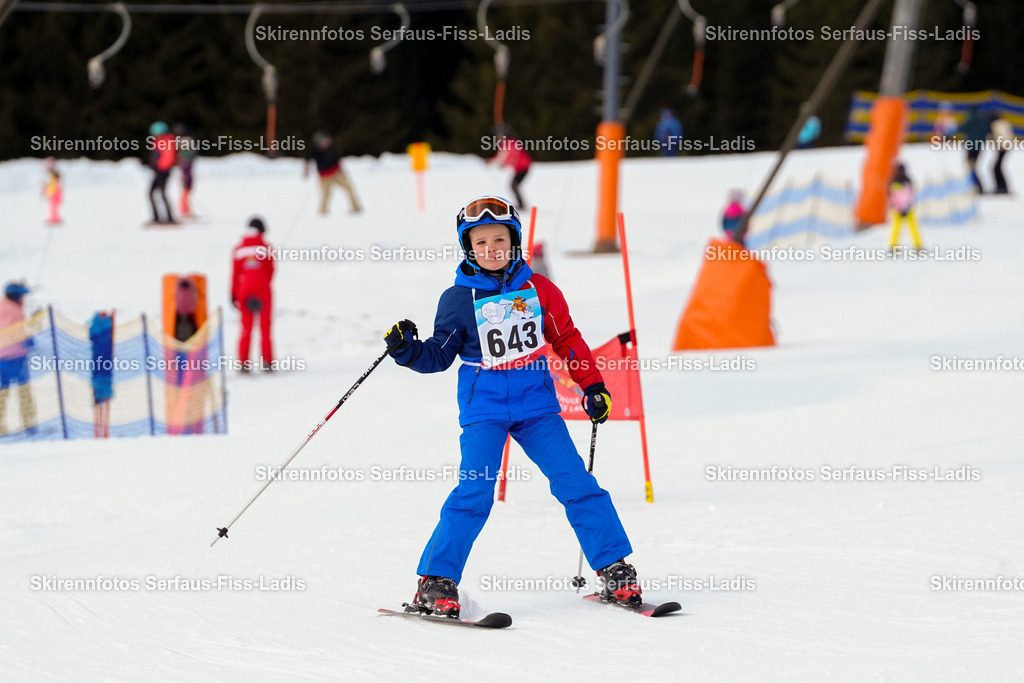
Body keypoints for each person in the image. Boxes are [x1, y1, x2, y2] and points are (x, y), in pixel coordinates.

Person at [383, 195, 640, 618]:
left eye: (499, 239)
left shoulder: (539, 289)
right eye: (480, 242)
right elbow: (438, 357)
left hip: (536, 406)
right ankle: (435, 581)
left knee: (576, 481)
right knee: (474, 490)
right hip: (483, 408)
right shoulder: (458, 297)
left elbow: (567, 339)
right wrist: (406, 350)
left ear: (514, 240)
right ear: (468, 246)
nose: (491, 249)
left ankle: (614, 568)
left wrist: (592, 385)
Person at [231, 217, 275, 372]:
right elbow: (271, 271)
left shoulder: (238, 249)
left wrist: (233, 294)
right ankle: (267, 362)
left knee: (245, 327)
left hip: (244, 290)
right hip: (262, 289)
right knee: (265, 327)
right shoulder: (266, 247)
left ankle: (243, 363)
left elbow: (235, 274)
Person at [0, 282, 36, 435]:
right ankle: (29, 424)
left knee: (3, 392)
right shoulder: (16, 311)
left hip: (1, 358)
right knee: (24, 392)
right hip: (16, 357)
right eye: (22, 296)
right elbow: (17, 331)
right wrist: (27, 339)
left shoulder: (2, 305)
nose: (24, 299)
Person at [304, 131, 362, 216]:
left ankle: (356, 207)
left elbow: (337, 158)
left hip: (337, 173)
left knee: (349, 188)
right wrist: (306, 171)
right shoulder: (314, 150)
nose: (325, 142)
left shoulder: (331, 147)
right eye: (322, 141)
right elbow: (307, 161)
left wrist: (341, 169)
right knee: (326, 195)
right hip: (324, 177)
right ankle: (322, 213)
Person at [487, 126, 532, 208]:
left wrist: (494, 162)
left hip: (523, 167)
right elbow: (504, 157)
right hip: (520, 168)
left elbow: (509, 156)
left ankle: (521, 205)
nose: (498, 138)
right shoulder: (508, 143)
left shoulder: (509, 143)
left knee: (514, 185)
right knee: (514, 185)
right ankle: (521, 204)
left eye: (499, 135)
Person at [88, 311, 114, 438]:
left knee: (100, 397)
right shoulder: (108, 324)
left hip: (99, 368)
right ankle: (101, 432)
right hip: (104, 368)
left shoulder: (94, 326)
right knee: (102, 397)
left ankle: (101, 431)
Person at [887, 162, 922, 251]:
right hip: (897, 209)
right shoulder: (895, 182)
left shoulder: (906, 181)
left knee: (913, 228)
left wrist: (907, 207)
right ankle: (893, 247)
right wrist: (900, 208)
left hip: (907, 208)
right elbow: (894, 198)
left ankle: (918, 246)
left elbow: (909, 196)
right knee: (896, 229)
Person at [148, 121, 177, 224]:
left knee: (157, 194)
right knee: (157, 194)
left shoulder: (165, 141)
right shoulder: (160, 141)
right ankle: (163, 217)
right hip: (161, 171)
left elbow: (167, 158)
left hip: (162, 172)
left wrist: (159, 168)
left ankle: (166, 218)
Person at [959, 107, 989, 194]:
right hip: (978, 147)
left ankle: (977, 187)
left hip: (971, 147)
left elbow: (961, 128)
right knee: (974, 166)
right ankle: (977, 186)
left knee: (970, 166)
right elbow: (986, 132)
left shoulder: (970, 119)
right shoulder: (982, 120)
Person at [174, 123, 197, 218]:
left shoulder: (183, 141)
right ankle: (185, 211)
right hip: (187, 173)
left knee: (185, 193)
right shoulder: (187, 140)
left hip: (186, 173)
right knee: (185, 193)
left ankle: (185, 212)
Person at [990, 114, 1015, 195]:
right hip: (1007, 145)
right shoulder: (1005, 122)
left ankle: (1001, 187)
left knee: (996, 168)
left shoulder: (995, 124)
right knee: (998, 167)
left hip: (1002, 147)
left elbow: (999, 135)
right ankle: (1002, 187)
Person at [42, 157, 63, 225]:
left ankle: (54, 219)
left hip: (54, 194)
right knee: (53, 207)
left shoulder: (54, 176)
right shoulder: (53, 176)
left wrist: (47, 190)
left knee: (53, 207)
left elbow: (52, 186)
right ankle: (53, 218)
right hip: (54, 193)